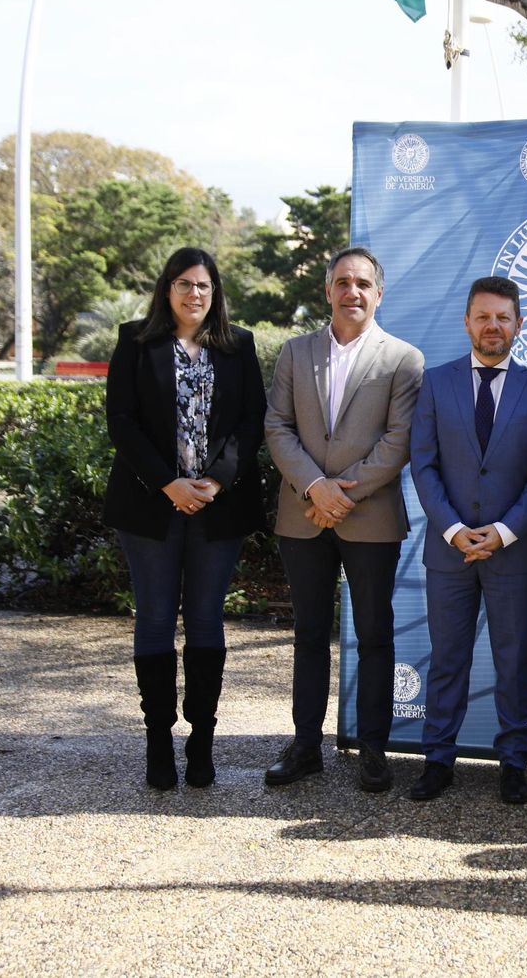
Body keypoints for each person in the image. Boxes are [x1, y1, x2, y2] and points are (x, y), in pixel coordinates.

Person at [103, 247, 266, 791]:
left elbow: (252, 422)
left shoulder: (238, 345)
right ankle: (158, 741)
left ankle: (201, 740)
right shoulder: (135, 341)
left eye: (203, 286)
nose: (194, 294)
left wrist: (215, 480)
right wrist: (167, 483)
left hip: (218, 506)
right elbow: (121, 421)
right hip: (150, 504)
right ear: (167, 289)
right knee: (154, 618)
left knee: (205, 619)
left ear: (215, 292)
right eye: (184, 284)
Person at [262, 247, 424, 792]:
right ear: (327, 290)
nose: (352, 291)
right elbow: (277, 426)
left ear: (379, 294)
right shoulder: (295, 352)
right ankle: (305, 745)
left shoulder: (403, 359)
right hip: (302, 512)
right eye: (342, 282)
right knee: (309, 633)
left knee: (375, 634)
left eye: (362, 284)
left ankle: (374, 749)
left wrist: (342, 493)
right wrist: (315, 486)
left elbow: (399, 439)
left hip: (370, 517)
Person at [407, 276, 527, 805]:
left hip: (513, 551)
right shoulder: (435, 382)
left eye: (503, 318)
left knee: (513, 660)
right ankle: (437, 759)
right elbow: (423, 465)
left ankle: (514, 761)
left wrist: (504, 531)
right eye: (483, 317)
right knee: (447, 658)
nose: (493, 326)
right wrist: (453, 530)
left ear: (519, 324)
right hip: (448, 549)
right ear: (467, 322)